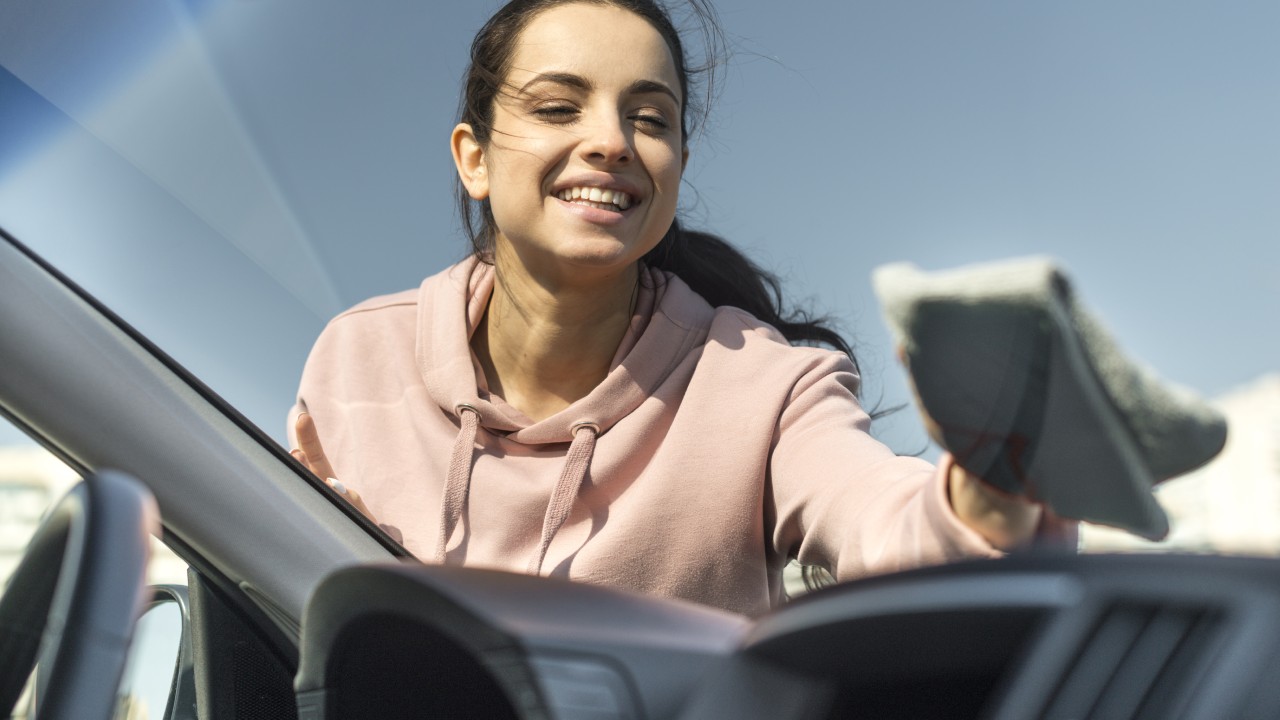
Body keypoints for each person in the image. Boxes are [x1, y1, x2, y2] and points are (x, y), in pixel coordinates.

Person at [288, 0, 1053, 617]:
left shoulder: (768, 388)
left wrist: (988, 490)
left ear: (678, 166)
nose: (611, 141)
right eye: (558, 107)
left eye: (650, 119)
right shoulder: (357, 356)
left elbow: (885, 523)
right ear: (474, 157)